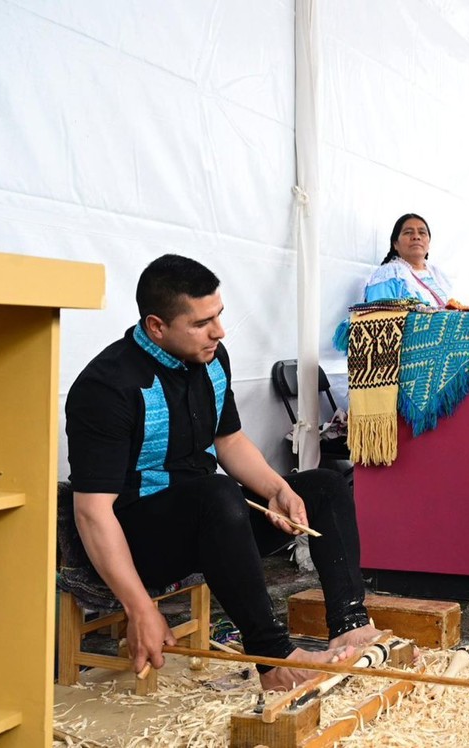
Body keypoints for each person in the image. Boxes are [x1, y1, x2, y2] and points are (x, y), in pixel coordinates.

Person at [66, 255, 381, 692]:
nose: (218, 331)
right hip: (141, 540)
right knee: (217, 493)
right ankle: (274, 660)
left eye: (219, 315)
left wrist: (278, 489)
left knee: (323, 486)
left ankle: (350, 623)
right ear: (157, 327)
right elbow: (91, 514)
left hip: (215, 522)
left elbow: (229, 440)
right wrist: (140, 606)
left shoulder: (212, 357)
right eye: (201, 322)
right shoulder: (107, 387)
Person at [363, 213, 452, 306]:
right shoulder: (388, 274)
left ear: (429, 242)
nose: (416, 237)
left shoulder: (437, 274)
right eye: (408, 232)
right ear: (395, 244)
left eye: (422, 233)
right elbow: (379, 317)